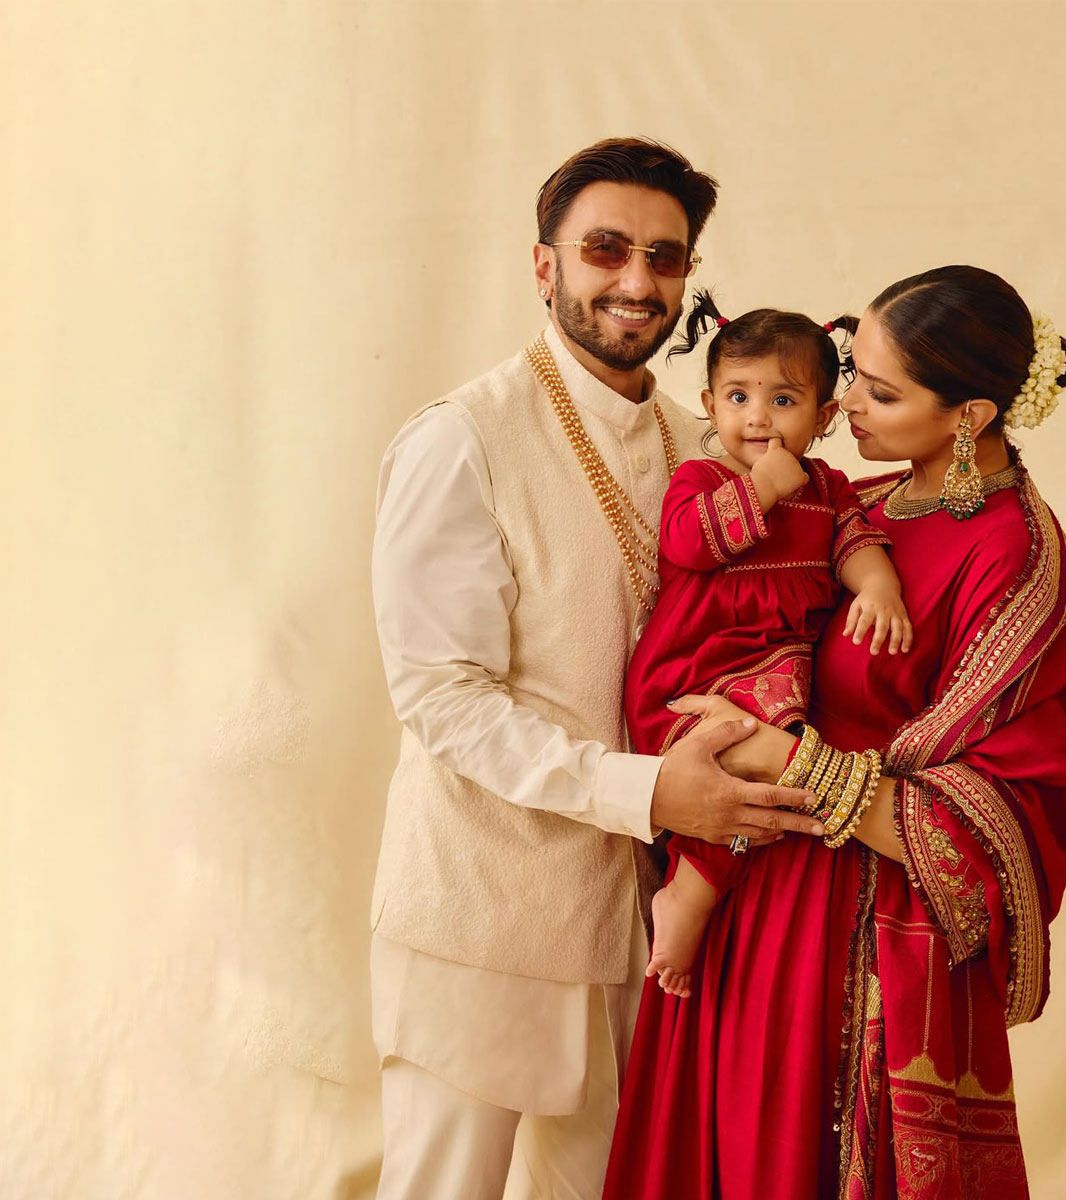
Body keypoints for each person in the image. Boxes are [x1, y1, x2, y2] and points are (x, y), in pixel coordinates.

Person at [367, 137, 820, 1200]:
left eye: (665, 259)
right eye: (605, 250)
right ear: (545, 267)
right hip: (481, 911)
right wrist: (650, 789)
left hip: (643, 923)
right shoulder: (462, 440)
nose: (635, 280)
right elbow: (442, 695)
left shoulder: (695, 441)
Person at [604, 265, 1066, 1199]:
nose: (847, 410)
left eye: (878, 393)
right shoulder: (859, 505)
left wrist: (783, 758)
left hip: (855, 933)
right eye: (852, 377)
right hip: (750, 883)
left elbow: (995, 820)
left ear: (970, 416)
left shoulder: (1017, 559)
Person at [624, 292, 911, 998]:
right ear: (709, 403)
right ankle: (686, 898)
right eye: (739, 395)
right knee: (745, 765)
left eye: (783, 399)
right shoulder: (701, 478)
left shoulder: (829, 488)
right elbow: (687, 544)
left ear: (822, 417)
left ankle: (693, 890)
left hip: (772, 666)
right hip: (697, 663)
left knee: (769, 781)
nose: (758, 415)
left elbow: (857, 542)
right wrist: (759, 490)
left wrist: (879, 589)